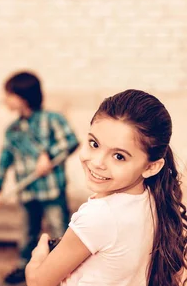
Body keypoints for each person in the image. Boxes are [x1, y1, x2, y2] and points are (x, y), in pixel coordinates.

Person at [26, 89, 187, 286]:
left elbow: (39, 282)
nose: (97, 162)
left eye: (119, 156)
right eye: (94, 144)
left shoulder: (98, 215)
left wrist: (37, 258)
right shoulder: (152, 198)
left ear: (151, 166)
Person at [0, 71, 79, 285]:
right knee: (28, 233)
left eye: (8, 95)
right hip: (27, 192)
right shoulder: (13, 130)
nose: (5, 100)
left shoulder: (52, 120)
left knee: (59, 229)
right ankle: (23, 267)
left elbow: (72, 140)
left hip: (52, 190)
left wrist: (49, 155)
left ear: (23, 96)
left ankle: (65, 268)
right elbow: (4, 160)